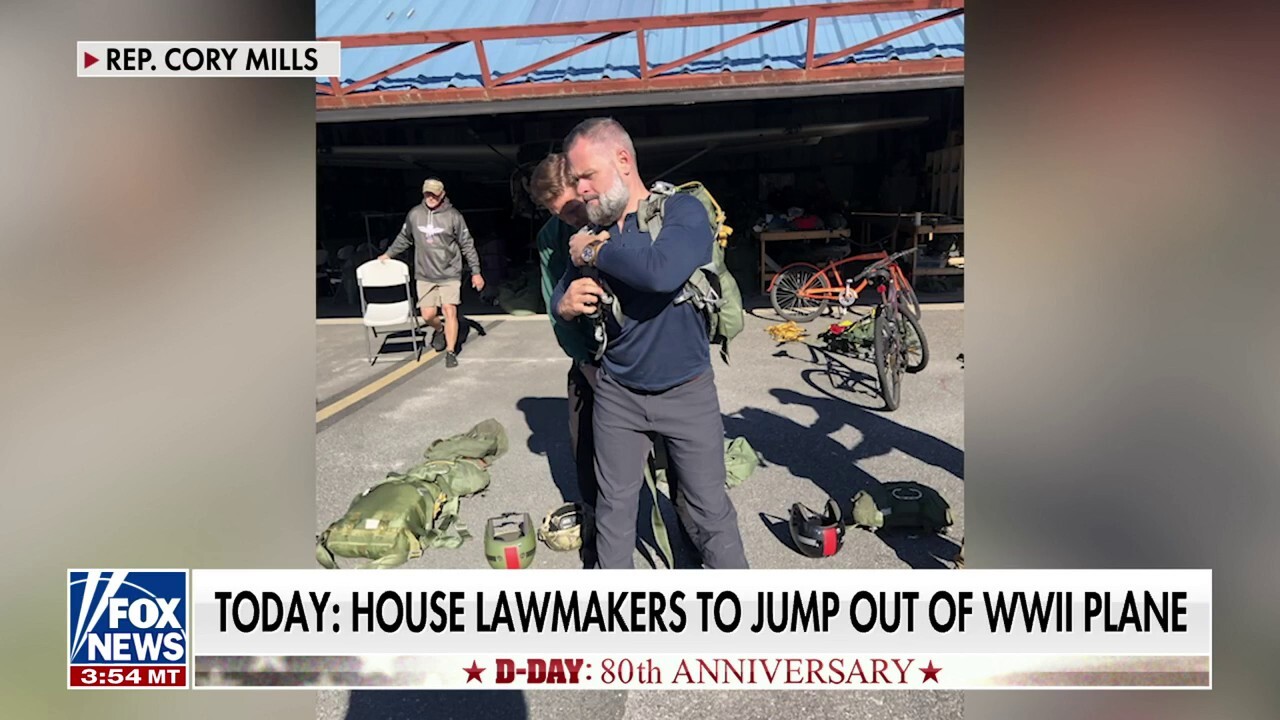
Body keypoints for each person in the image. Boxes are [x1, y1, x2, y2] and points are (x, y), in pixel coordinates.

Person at [550, 118, 749, 570]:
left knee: (708, 512)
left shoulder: (683, 211)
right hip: (618, 394)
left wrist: (593, 253)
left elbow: (661, 271)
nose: (580, 190)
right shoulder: (591, 234)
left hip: (687, 391)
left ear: (622, 161)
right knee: (615, 512)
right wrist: (566, 303)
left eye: (587, 176)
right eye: (576, 180)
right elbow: (563, 293)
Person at [380, 177, 484, 369]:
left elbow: (467, 244)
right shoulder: (415, 214)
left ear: (442, 195)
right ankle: (439, 329)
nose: (430, 197)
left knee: (449, 310)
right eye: (427, 193)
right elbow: (404, 238)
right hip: (424, 274)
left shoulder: (454, 216)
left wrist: (476, 272)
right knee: (428, 315)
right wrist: (388, 255)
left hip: (449, 273)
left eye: (434, 194)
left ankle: (451, 352)